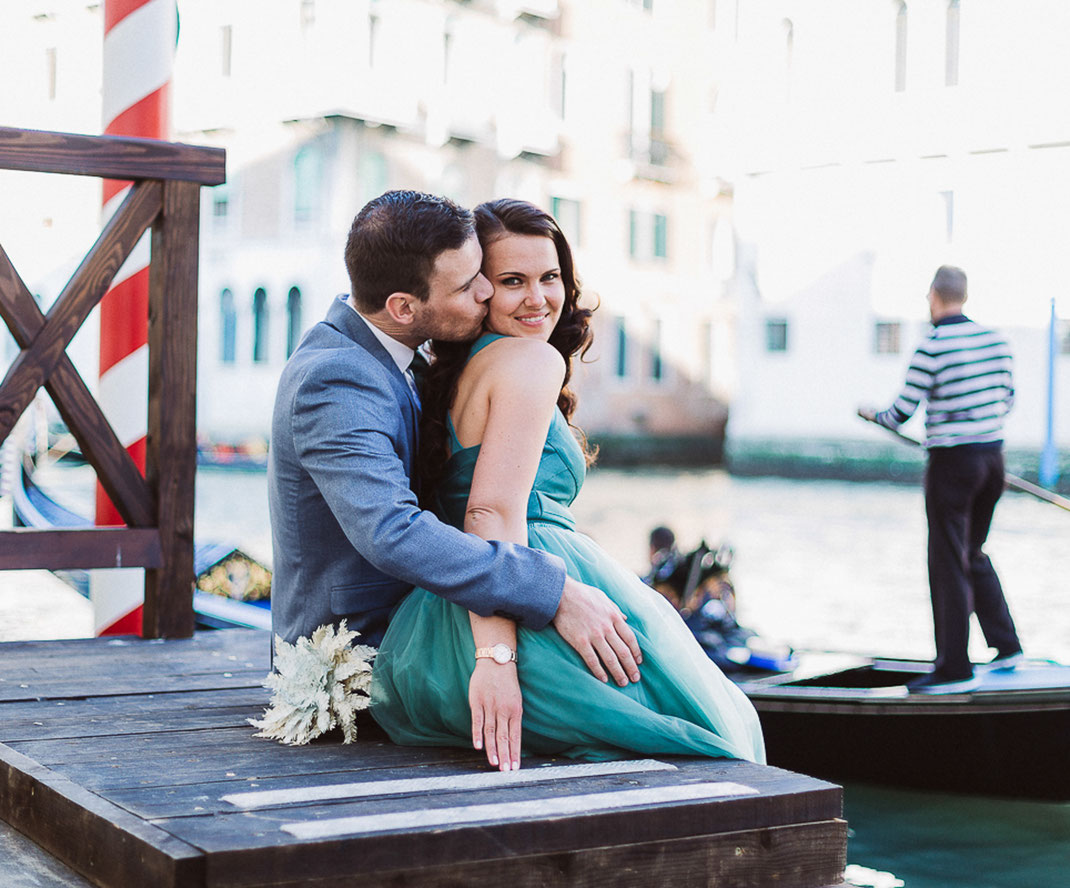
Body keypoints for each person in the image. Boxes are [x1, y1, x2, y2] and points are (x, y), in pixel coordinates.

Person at [371, 199, 765, 770]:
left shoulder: (457, 368)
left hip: (438, 623)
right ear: (479, 290)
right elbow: (488, 516)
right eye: (512, 281)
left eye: (550, 277)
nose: (538, 298)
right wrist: (498, 660)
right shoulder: (529, 360)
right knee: (718, 728)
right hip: (514, 593)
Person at [268, 190, 642, 694]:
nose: (487, 292)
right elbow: (392, 531)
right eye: (470, 285)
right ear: (403, 307)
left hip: (438, 611)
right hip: (358, 655)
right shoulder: (335, 379)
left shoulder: (408, 360)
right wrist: (551, 591)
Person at [859, 265, 1023, 693]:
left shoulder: (931, 346)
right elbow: (1007, 398)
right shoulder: (997, 340)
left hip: (953, 465)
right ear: (964, 296)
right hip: (993, 461)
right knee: (973, 552)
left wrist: (872, 414)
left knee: (948, 561)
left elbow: (900, 413)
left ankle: (953, 666)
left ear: (933, 297)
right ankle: (1007, 646)